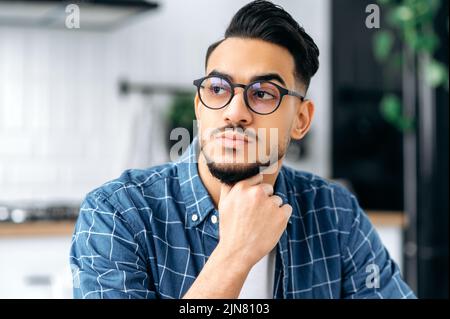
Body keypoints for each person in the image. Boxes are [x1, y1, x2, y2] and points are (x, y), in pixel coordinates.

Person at [70, 0, 415, 299]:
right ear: (199, 105)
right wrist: (235, 253)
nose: (234, 111)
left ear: (301, 119)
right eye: (218, 88)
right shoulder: (118, 215)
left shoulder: (335, 213)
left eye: (263, 93)